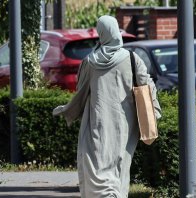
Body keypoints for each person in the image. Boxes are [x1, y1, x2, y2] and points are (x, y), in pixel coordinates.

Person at [52, 15, 161, 198]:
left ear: (102, 33)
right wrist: (154, 110)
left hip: (98, 123)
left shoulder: (90, 62)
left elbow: (81, 93)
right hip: (125, 125)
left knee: (97, 165)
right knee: (120, 164)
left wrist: (67, 109)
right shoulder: (133, 59)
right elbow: (146, 85)